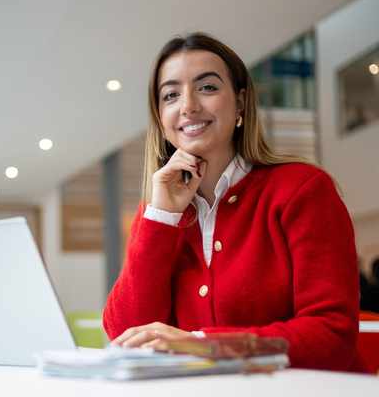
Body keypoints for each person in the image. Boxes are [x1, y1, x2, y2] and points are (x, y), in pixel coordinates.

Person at [103, 33, 362, 371]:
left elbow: (332, 333)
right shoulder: (157, 212)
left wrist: (199, 344)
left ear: (240, 103)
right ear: (160, 117)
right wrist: (161, 218)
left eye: (207, 87)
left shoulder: (302, 189)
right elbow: (125, 335)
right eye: (170, 95)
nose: (188, 106)